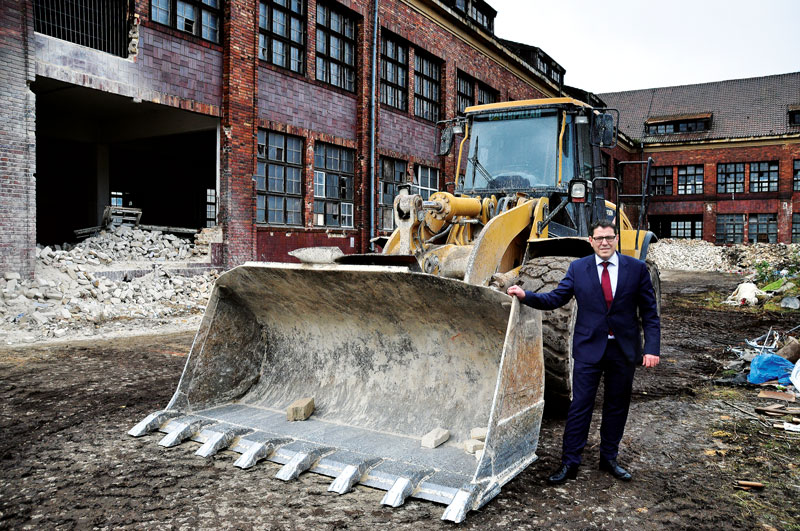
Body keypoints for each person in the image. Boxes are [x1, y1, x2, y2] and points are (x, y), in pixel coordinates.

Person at [507, 220, 660, 484]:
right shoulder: (578, 268)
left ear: (616, 240)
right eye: (599, 238)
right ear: (591, 241)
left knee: (617, 406)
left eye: (609, 238)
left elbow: (649, 313)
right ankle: (570, 462)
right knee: (579, 407)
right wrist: (526, 295)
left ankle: (609, 458)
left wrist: (652, 349)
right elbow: (556, 298)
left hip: (623, 351)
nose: (604, 242)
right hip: (589, 349)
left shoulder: (635, 269)